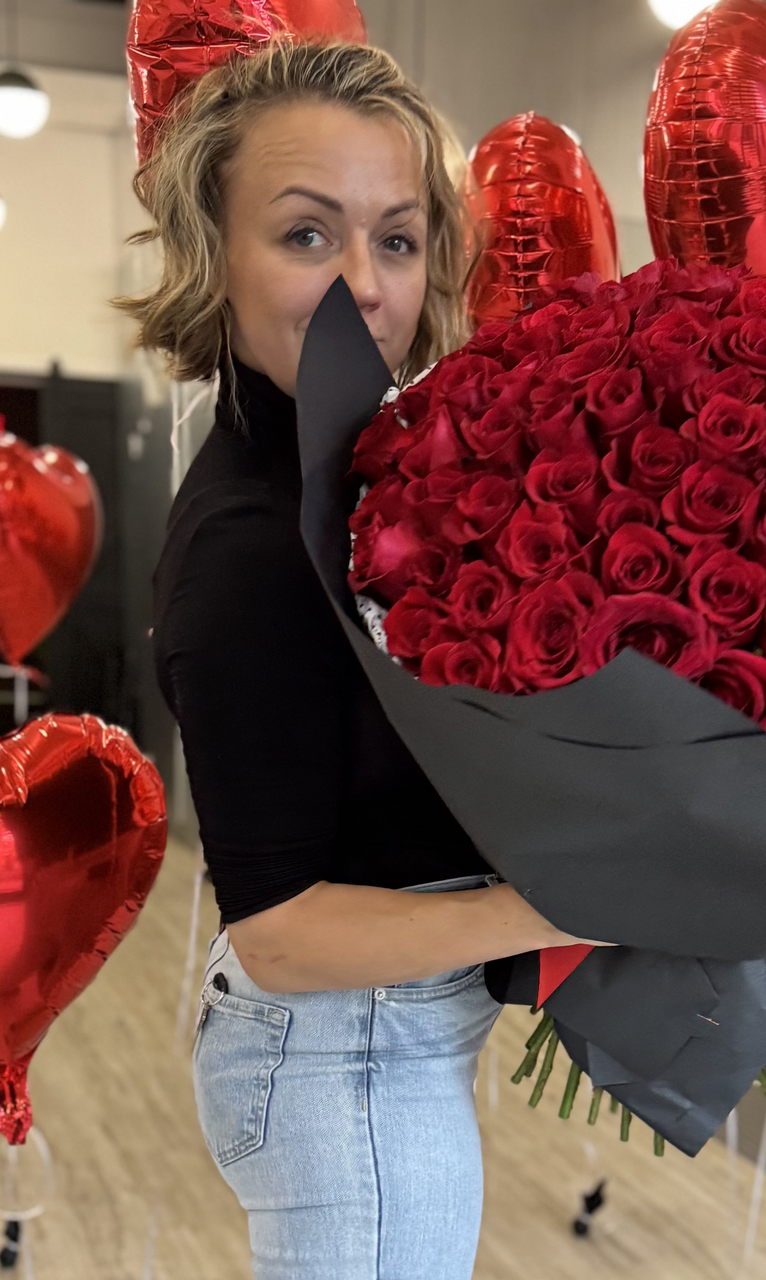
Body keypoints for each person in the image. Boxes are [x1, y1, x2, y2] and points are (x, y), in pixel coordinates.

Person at [122, 40, 591, 1280]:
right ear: (211, 252)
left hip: (377, 1039)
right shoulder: (252, 543)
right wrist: (583, 897)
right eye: (306, 234)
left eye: (395, 237)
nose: (363, 287)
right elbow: (277, 927)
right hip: (343, 1056)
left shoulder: (344, 470)